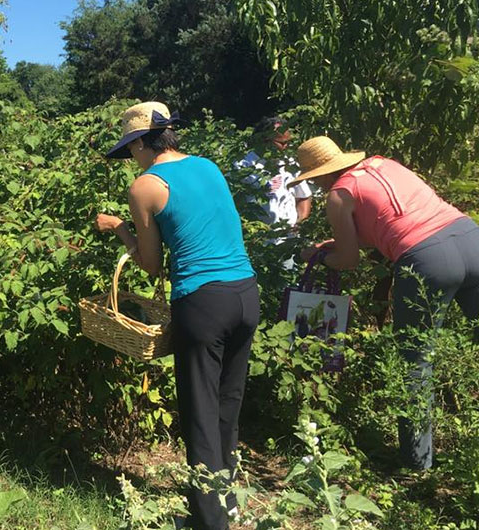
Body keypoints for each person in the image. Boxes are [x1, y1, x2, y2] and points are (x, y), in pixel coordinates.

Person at [94, 102, 260, 530]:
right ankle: (229, 500)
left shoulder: (144, 187)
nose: (132, 158)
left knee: (200, 412)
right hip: (245, 292)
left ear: (140, 144)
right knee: (228, 403)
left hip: (203, 302)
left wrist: (119, 229)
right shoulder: (208, 166)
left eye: (131, 149)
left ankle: (210, 521)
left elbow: (150, 264)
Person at [292, 136, 479, 470]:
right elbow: (388, 223)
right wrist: (338, 241)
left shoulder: (338, 196)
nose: (316, 185)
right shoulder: (384, 164)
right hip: (468, 236)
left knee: (416, 360)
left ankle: (416, 465)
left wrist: (317, 257)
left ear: (321, 173)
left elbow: (349, 261)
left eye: (313, 178)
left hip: (428, 260)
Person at [235, 117, 312, 268]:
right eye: (282, 143)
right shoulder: (242, 165)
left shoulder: (289, 165)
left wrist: (300, 222)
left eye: (288, 142)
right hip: (255, 243)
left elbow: (304, 196)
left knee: (288, 283)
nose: (286, 147)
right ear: (265, 140)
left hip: (286, 243)